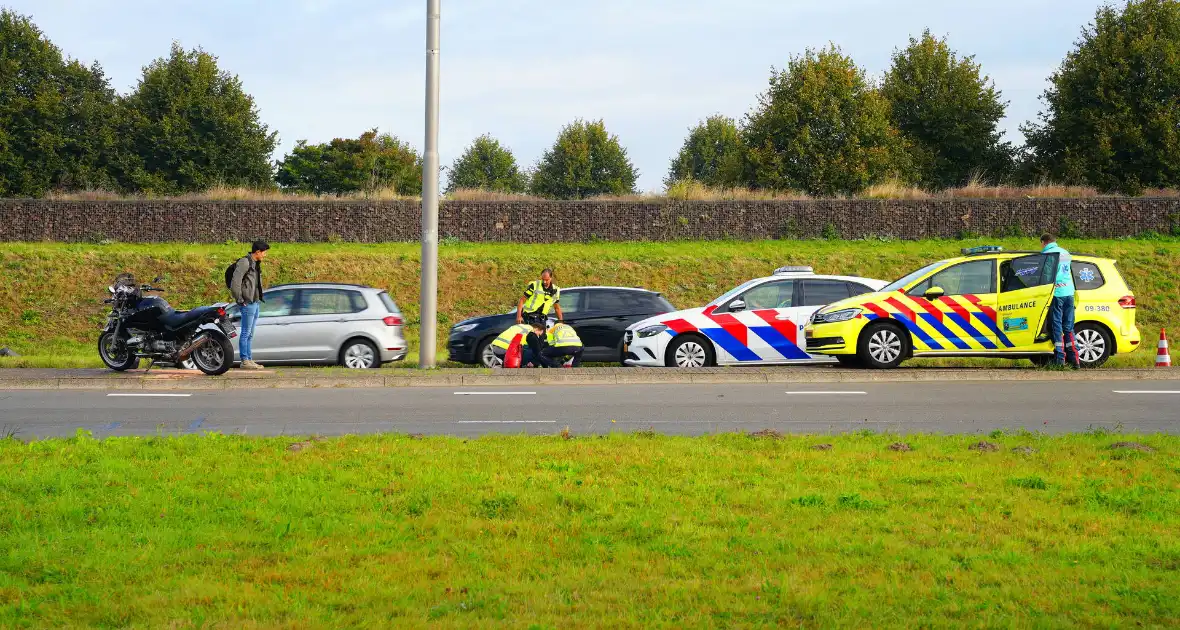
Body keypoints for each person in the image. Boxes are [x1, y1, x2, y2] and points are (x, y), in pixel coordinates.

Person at [230, 240, 269, 370]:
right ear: (257, 252)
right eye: (264, 252)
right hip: (247, 302)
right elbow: (235, 283)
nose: (265, 255)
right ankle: (244, 360)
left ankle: (249, 359)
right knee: (246, 333)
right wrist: (240, 300)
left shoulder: (255, 263)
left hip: (255, 302)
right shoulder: (245, 262)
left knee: (250, 333)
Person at [1041, 233, 1078, 367]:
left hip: (1057, 293)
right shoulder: (1065, 252)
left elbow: (1046, 275)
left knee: (1057, 327)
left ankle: (1060, 360)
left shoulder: (1049, 255)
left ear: (1044, 242)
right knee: (1068, 327)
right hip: (1069, 293)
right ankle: (1075, 360)